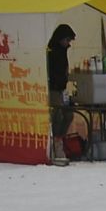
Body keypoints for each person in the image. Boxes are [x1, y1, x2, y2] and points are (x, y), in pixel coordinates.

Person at [46, 23, 76, 165]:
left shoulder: (63, 51)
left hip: (61, 89)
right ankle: (56, 143)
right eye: (67, 40)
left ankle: (59, 139)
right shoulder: (51, 51)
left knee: (69, 114)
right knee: (57, 115)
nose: (68, 43)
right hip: (52, 89)